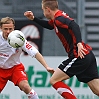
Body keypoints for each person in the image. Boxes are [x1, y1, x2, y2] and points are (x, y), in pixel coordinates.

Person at [24, 0, 99, 99]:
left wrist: (79, 43)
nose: (43, 13)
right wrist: (34, 19)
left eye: (43, 10)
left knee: (54, 80)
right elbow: (49, 25)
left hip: (78, 55)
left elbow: (74, 26)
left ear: (48, 9)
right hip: (87, 54)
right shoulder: (57, 18)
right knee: (97, 90)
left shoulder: (59, 19)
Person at [0, 16, 54, 99]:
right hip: (0, 70)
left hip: (15, 68)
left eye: (10, 29)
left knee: (25, 86)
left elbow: (35, 53)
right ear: (1, 28)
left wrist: (46, 66)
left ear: (14, 28)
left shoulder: (19, 39)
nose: (8, 32)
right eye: (5, 29)